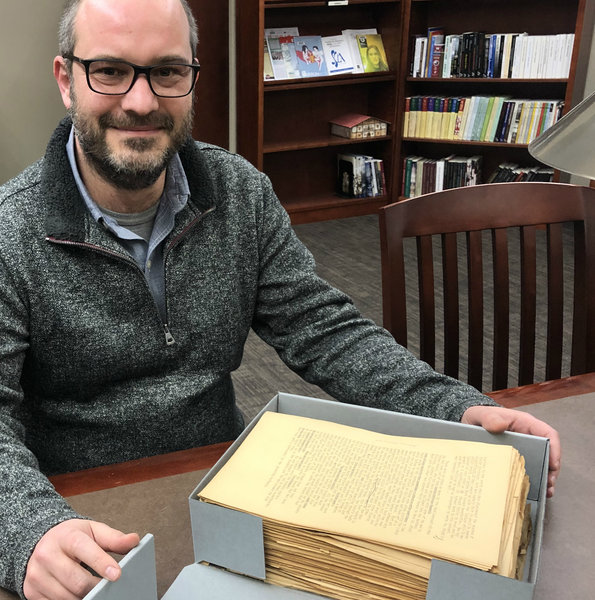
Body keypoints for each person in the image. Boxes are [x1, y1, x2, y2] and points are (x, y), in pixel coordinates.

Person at [0, 0, 560, 599]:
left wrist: (450, 408)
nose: (141, 102)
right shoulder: (10, 233)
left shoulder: (240, 192)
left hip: (227, 483)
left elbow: (325, 329)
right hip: (79, 513)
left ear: (192, 77)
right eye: (109, 71)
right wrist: (28, 530)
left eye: (166, 72)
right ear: (66, 80)